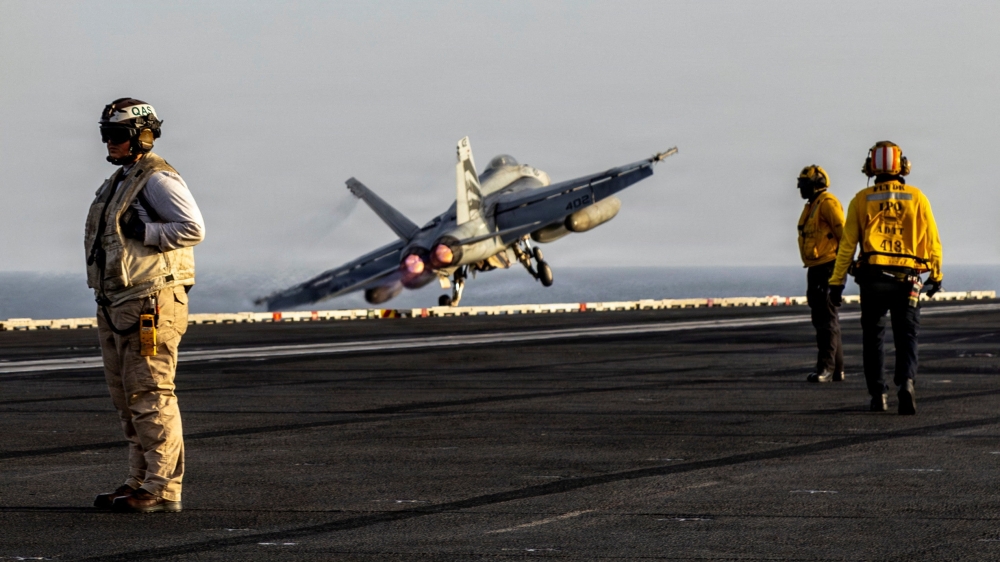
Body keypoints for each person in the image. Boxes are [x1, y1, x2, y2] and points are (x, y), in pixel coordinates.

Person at [86, 98, 205, 512]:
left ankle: (162, 488)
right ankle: (138, 480)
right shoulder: (122, 179)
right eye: (106, 134)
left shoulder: (157, 179)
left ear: (143, 136)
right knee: (127, 399)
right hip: (118, 302)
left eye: (117, 135)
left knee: (151, 395)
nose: (110, 142)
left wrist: (148, 230)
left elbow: (192, 228)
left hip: (150, 302)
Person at [828, 141, 942, 415]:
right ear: (902, 166)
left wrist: (836, 282)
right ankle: (906, 383)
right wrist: (936, 274)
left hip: (873, 280)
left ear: (871, 167)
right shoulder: (917, 197)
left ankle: (878, 394)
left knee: (874, 337)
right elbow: (933, 240)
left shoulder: (861, 199)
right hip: (908, 280)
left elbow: (847, 246)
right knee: (907, 335)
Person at [795, 165, 845, 383]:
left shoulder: (828, 204)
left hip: (828, 267)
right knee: (825, 318)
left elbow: (843, 234)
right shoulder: (812, 206)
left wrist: (842, 268)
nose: (801, 188)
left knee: (826, 319)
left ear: (816, 184)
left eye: (804, 184)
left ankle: (826, 368)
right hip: (816, 267)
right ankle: (837, 370)